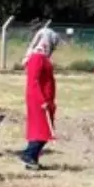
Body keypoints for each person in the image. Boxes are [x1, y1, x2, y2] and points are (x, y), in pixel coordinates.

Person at [21, 28, 59, 170]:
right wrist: (41, 100)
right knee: (43, 131)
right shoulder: (37, 57)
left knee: (41, 130)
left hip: (45, 100)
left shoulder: (43, 57)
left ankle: (33, 160)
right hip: (39, 100)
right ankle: (28, 154)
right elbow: (33, 80)